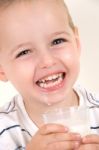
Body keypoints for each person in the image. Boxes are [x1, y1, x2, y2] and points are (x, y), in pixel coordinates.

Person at [0, 0, 99, 149]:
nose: (47, 61)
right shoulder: (4, 130)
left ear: (76, 43)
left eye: (57, 41)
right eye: (24, 52)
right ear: (1, 69)